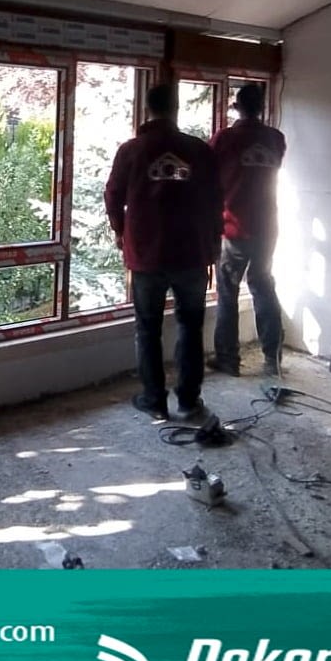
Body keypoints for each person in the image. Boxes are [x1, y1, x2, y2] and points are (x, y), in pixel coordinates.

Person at [104, 83, 222, 421]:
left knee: (147, 328)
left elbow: (113, 195)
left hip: (147, 254)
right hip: (191, 253)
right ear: (176, 108)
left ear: (147, 108)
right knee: (191, 326)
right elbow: (216, 199)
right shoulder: (198, 150)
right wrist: (212, 244)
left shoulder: (132, 150)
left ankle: (154, 400)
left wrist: (120, 230)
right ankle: (189, 401)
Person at [211, 83, 287, 376]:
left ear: (236, 107)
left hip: (235, 227)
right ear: (262, 107)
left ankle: (228, 358)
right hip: (267, 226)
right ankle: (272, 357)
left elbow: (208, 171)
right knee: (263, 284)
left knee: (228, 291)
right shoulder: (275, 139)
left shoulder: (226, 139)